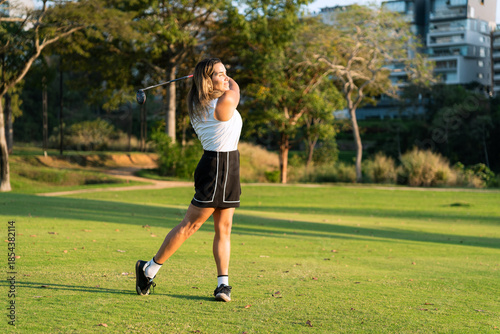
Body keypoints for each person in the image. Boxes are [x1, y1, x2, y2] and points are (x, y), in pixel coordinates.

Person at [135, 58, 242, 302]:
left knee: (224, 229)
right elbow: (236, 91)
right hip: (215, 168)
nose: (226, 77)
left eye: (227, 73)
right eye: (220, 74)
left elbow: (224, 88)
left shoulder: (199, 101)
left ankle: (222, 285)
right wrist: (231, 81)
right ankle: (148, 269)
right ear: (207, 80)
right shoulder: (222, 102)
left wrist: (215, 78)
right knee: (190, 226)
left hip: (231, 166)